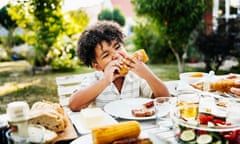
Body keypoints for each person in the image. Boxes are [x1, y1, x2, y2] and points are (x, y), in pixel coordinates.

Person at [69, 21, 170, 112]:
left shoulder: (136, 75)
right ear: (98, 67)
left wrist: (146, 73)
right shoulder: (95, 80)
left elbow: (165, 98)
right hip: (108, 129)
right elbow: (74, 105)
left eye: (117, 47)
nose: (116, 55)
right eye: (106, 55)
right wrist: (105, 81)